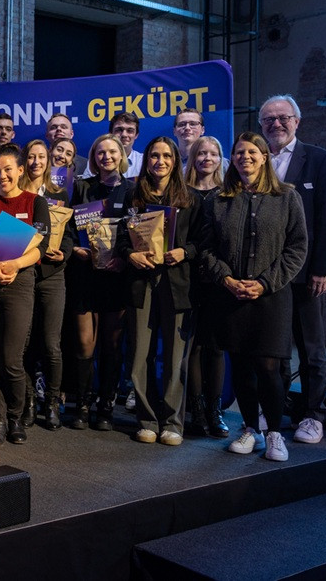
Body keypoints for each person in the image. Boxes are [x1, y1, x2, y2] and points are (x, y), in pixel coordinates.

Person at [201, 132, 307, 462]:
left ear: (264, 157)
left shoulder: (287, 197)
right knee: (242, 366)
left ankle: (275, 432)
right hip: (230, 295)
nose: (245, 157)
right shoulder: (217, 199)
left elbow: (297, 248)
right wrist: (227, 279)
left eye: (252, 152)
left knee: (268, 366)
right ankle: (250, 429)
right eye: (239, 152)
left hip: (271, 297)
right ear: (232, 159)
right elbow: (205, 249)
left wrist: (264, 283)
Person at [259, 95, 326, 445]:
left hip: (307, 272)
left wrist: (323, 268)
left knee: (310, 347)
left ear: (297, 121)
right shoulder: (256, 160)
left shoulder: (320, 160)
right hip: (265, 274)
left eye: (282, 118)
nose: (275, 124)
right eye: (268, 120)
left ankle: (312, 414)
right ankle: (275, 409)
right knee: (271, 347)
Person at [122, 137, 203, 446]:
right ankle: (146, 419)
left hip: (177, 285)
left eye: (166, 155)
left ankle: (172, 422)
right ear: (148, 160)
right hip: (142, 284)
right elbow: (121, 240)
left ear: (175, 160)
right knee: (140, 355)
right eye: (154, 155)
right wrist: (131, 255)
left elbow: (203, 242)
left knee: (174, 358)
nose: (160, 161)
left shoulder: (191, 199)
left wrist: (185, 252)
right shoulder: (134, 197)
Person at [0, 144, 49, 446]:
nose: (1, 175)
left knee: (12, 359)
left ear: (19, 170)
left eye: (7, 170)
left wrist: (15, 264)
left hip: (19, 285)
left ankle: (17, 417)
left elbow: (39, 246)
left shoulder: (35, 203)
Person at [67, 134, 135, 431]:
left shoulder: (133, 191)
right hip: (85, 275)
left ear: (121, 155)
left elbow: (139, 231)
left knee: (111, 344)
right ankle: (82, 403)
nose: (106, 157)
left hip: (117, 277)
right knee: (84, 344)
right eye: (100, 153)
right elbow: (69, 229)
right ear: (93, 158)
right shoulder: (83, 188)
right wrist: (76, 249)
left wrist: (125, 257)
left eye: (111, 152)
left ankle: (106, 406)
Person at [20, 140, 73, 430]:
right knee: (25, 345)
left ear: (48, 160)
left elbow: (70, 234)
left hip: (53, 275)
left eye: (41, 156)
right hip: (23, 276)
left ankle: (52, 402)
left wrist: (63, 251)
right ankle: (28, 402)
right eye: (31, 156)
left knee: (52, 345)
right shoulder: (16, 194)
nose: (36, 161)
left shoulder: (60, 193)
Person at [183, 136, 229, 438]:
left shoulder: (229, 194)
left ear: (220, 158)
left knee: (215, 346)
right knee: (193, 347)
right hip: (186, 278)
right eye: (201, 153)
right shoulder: (182, 194)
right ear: (193, 157)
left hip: (216, 278)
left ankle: (216, 410)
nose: (207, 158)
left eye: (213, 153)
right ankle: (196, 411)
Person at [83, 112, 143, 178]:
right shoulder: (97, 161)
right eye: (119, 130)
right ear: (111, 133)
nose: (124, 135)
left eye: (130, 130)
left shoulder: (143, 162)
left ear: (136, 135)